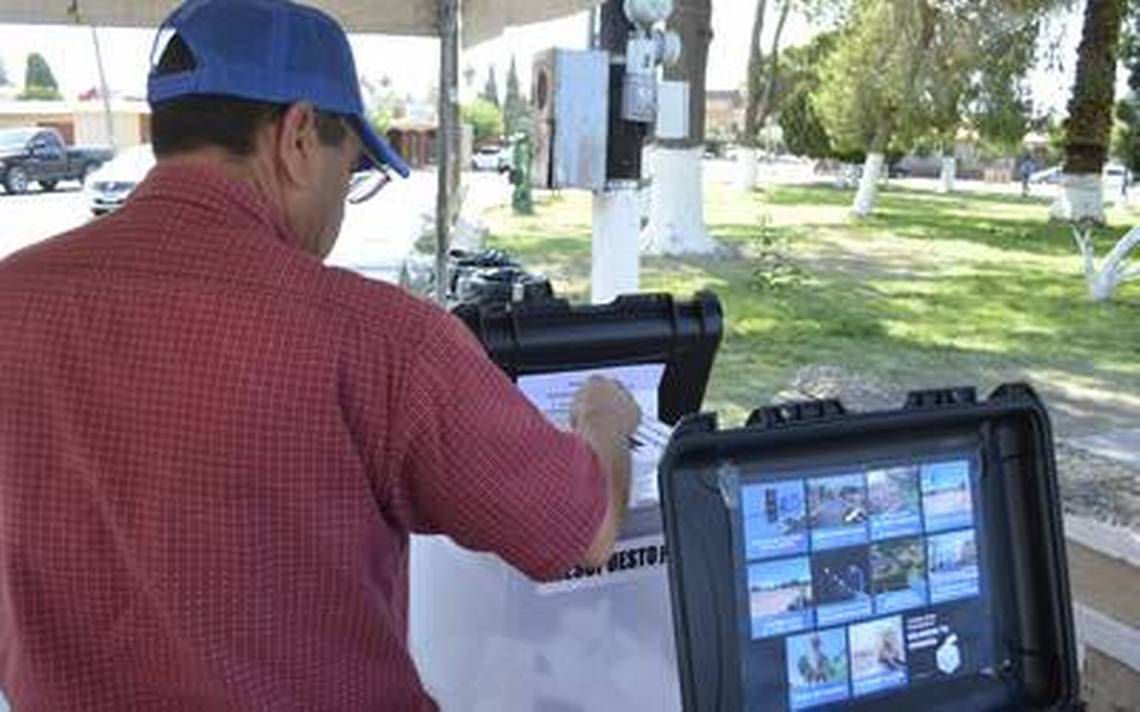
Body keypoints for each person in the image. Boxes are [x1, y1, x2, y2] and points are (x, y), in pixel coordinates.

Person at [0, 1, 639, 710]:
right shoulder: (380, 338)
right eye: (354, 166)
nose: (343, 199)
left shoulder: (12, 299)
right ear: (299, 136)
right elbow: (585, 530)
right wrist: (604, 418)